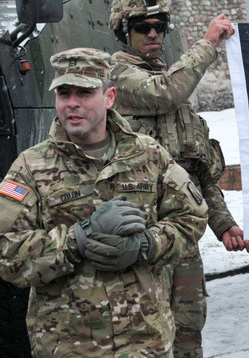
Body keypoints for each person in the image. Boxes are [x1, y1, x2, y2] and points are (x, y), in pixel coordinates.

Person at [0, 48, 208, 356]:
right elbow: (8, 254)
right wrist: (76, 240)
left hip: (145, 343)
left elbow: (191, 217)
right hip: (69, 346)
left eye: (84, 92)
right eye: (64, 92)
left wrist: (148, 244)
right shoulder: (30, 166)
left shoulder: (148, 155)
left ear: (109, 97)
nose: (72, 103)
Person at [108, 0, 249, 357]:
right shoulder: (117, 78)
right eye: (143, 27)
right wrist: (207, 45)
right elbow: (164, 91)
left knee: (188, 329)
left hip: (183, 239)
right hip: (141, 241)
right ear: (124, 32)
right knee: (146, 338)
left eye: (160, 27)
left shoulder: (178, 95)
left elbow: (198, 170)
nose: (154, 34)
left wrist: (223, 223)